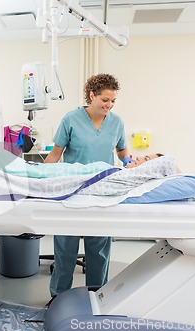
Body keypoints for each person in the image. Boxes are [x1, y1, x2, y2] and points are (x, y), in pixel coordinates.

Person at [42, 73, 131, 301]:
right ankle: (58, 296)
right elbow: (55, 155)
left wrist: (128, 161)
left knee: (99, 250)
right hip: (72, 190)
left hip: (102, 190)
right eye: (105, 100)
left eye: (112, 101)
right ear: (92, 95)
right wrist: (38, 179)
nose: (109, 105)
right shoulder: (71, 119)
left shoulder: (117, 122)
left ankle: (97, 294)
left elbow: (121, 151)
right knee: (65, 249)